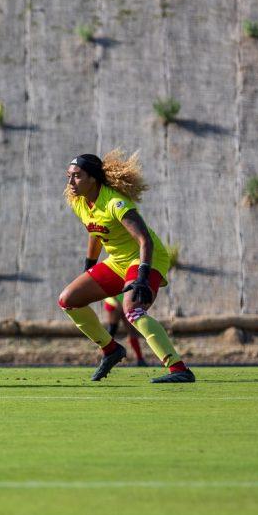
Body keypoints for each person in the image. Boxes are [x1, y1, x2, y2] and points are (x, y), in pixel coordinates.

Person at [57, 151, 194, 383]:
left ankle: (179, 369)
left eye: (77, 176)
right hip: (117, 261)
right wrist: (89, 266)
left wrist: (142, 275)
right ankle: (111, 350)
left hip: (145, 258)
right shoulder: (79, 202)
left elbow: (144, 240)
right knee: (68, 299)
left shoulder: (115, 203)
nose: (70, 182)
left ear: (93, 179)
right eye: (69, 176)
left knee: (132, 309)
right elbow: (95, 232)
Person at [102, 295, 147, 366]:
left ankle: (140, 359)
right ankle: (105, 358)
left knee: (131, 331)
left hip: (126, 303)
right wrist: (115, 302)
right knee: (112, 330)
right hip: (113, 303)